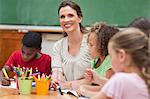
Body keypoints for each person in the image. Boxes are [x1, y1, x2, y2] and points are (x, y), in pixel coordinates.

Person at [58, 28, 150, 99]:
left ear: (122, 56)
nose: (111, 60)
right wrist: (98, 80)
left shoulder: (121, 79)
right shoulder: (142, 79)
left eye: (112, 56)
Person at [51, 0, 91, 89]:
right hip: (65, 94)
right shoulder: (58, 46)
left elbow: (95, 79)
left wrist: (66, 85)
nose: (66, 20)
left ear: (80, 18)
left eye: (70, 15)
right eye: (62, 17)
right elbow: (57, 73)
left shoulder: (92, 42)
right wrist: (55, 79)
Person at [76, 23, 119, 96]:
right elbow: (95, 85)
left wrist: (85, 90)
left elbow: (107, 89)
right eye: (88, 44)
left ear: (103, 46)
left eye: (91, 45)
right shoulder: (95, 61)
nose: (88, 48)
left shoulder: (110, 61)